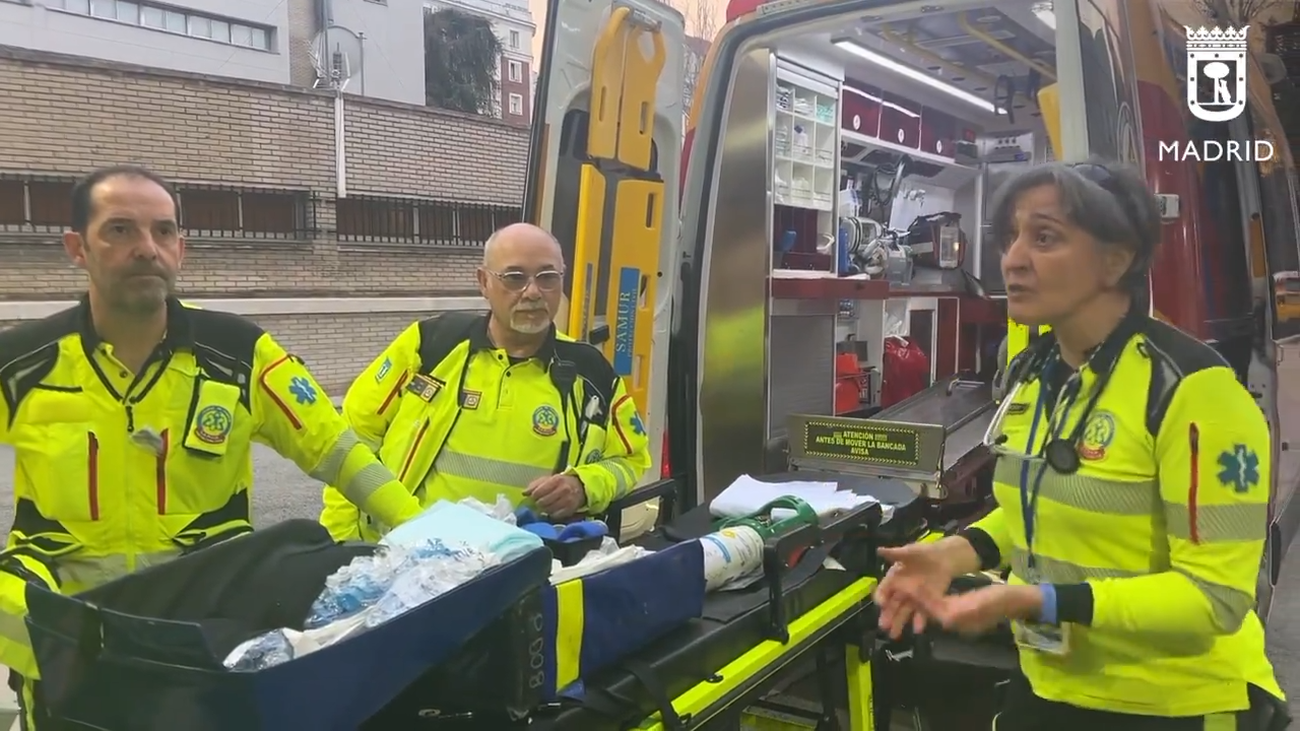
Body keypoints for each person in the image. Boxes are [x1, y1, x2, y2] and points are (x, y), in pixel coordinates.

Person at [0, 165, 425, 728]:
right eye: (120, 230)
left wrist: (425, 532)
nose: (146, 248)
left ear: (183, 250)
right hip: (68, 637)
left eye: (164, 232)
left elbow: (338, 452)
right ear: (77, 248)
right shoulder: (23, 361)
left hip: (205, 637)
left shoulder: (240, 353)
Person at [873, 161, 1289, 729]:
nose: (1013, 258)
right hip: (1049, 684)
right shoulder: (1035, 371)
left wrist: (1036, 601)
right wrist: (963, 549)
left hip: (1174, 704)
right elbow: (1041, 505)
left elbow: (1213, 599)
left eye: (1045, 237)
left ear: (1115, 259)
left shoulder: (1193, 393)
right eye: (1012, 236)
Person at [318, 223, 652, 542]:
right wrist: (342, 541)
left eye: (547, 277)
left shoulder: (591, 374)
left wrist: (584, 485)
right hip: (406, 560)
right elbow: (351, 442)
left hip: (521, 567)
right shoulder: (429, 347)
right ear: (483, 282)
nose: (533, 292)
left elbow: (631, 460)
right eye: (514, 277)